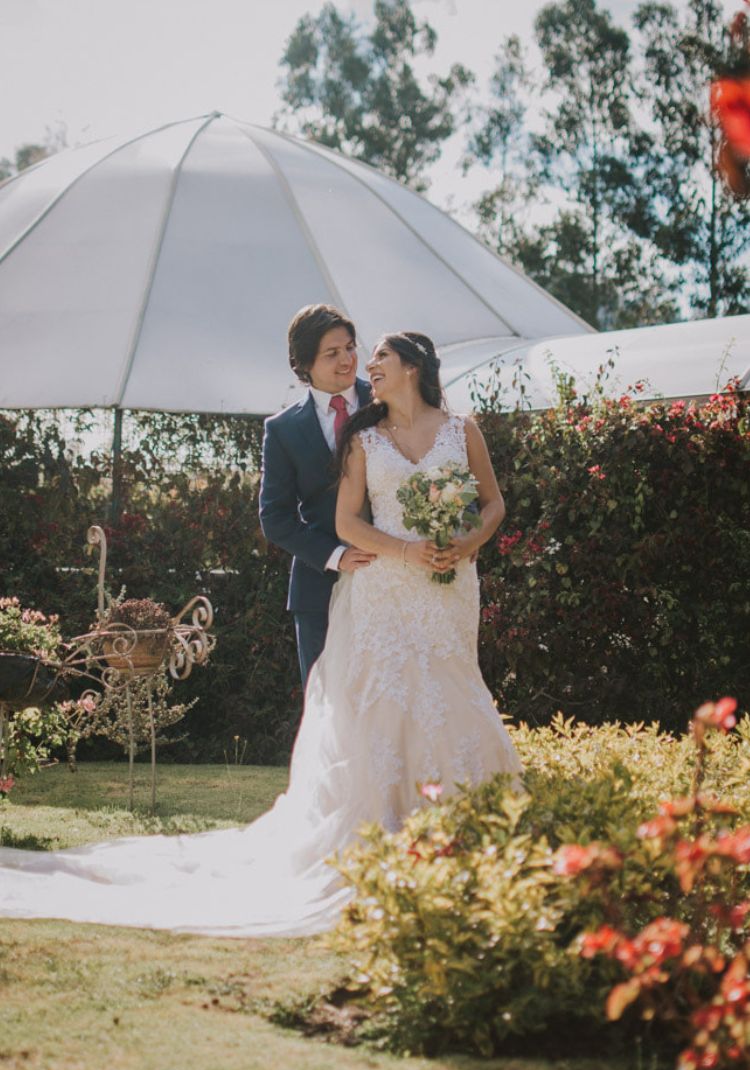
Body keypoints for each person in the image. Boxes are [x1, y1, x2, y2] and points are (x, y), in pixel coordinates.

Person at [0, 332, 521, 938]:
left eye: (374, 353)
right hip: (381, 585)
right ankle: (386, 832)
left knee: (449, 692)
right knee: (382, 704)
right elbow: (339, 521)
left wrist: (467, 543)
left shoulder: (462, 430)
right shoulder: (362, 437)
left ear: (413, 367)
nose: (364, 362)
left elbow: (493, 504)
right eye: (348, 352)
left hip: (448, 588)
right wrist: (403, 550)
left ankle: (465, 829)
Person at [259, 304, 374, 689]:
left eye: (350, 347)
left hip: (393, 578)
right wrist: (337, 556)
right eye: (332, 353)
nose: (347, 359)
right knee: (328, 704)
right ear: (304, 364)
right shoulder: (283, 430)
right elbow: (275, 518)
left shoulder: (387, 403)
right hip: (318, 592)